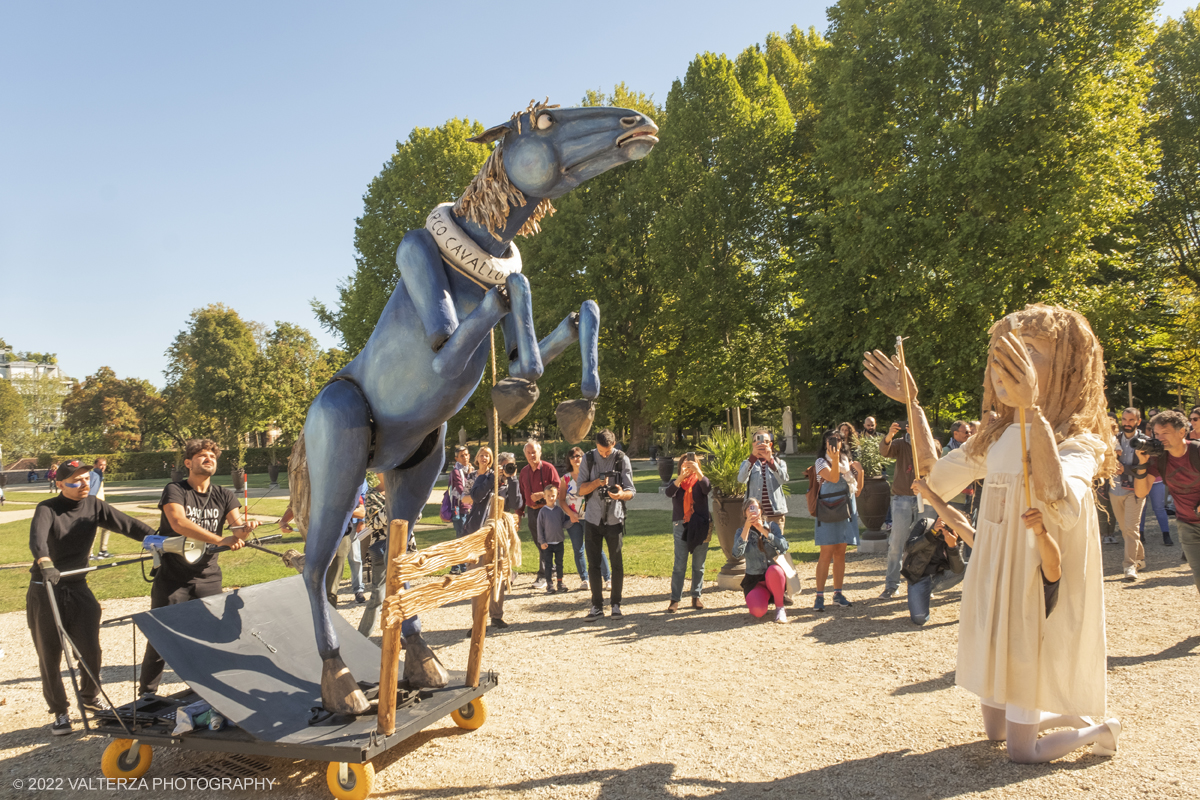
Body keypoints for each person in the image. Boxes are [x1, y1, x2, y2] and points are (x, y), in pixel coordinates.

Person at [866, 303, 1120, 763]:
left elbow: (1063, 502)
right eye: (1003, 351)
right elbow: (932, 477)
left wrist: (1032, 413)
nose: (1007, 363)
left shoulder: (1078, 441)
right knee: (993, 732)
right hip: (992, 578)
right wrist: (912, 404)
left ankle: (1100, 730)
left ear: (1067, 368)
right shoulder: (996, 436)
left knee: (1020, 751)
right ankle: (1066, 717)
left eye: (1029, 351)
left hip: (1032, 581)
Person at [27, 459, 158, 735]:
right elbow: (37, 540)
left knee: (90, 649)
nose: (83, 484)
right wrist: (45, 561)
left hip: (77, 585)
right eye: (75, 481)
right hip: (46, 586)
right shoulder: (47, 508)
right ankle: (60, 711)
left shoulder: (94, 506)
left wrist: (159, 540)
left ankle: (88, 697)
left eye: (86, 478)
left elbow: (129, 526)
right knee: (49, 653)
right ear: (60, 484)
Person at [138, 439, 258, 696]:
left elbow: (237, 532)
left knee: (213, 637)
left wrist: (245, 530)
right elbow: (179, 523)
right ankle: (147, 695)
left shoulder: (225, 494)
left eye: (212, 456)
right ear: (188, 463)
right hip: (173, 578)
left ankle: (214, 692)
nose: (209, 459)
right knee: (161, 638)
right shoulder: (175, 490)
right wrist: (220, 540)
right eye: (202, 455)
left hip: (208, 577)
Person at [1134, 410, 1200, 596]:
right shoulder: (1158, 459)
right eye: (1156, 433)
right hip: (1187, 526)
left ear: (1182, 432)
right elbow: (1140, 492)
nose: (1159, 438)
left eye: (1165, 433)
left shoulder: (1197, 451)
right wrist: (1142, 462)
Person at [578, 429, 636, 619]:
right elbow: (580, 490)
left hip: (614, 518)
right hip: (593, 518)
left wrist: (620, 495)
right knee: (593, 563)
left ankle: (616, 604)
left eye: (607, 451)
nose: (604, 455)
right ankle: (596, 605)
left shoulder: (621, 459)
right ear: (596, 445)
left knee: (616, 563)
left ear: (614, 444)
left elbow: (631, 491)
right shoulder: (588, 459)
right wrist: (598, 483)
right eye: (601, 451)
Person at [463, 448, 523, 627]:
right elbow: (476, 496)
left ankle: (496, 615)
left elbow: (516, 503)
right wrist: (493, 478)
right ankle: (477, 621)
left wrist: (511, 479)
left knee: (499, 575)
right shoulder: (485, 478)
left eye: (510, 466)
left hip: (500, 535)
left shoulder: (510, 482)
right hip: (480, 533)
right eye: (504, 466)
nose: (506, 469)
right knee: (478, 576)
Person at [879, 420, 935, 598]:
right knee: (897, 542)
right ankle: (891, 585)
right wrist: (889, 435)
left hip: (925, 497)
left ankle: (922, 584)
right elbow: (885, 451)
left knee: (925, 541)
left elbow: (936, 454)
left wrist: (921, 438)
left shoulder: (931, 443)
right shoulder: (900, 444)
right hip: (902, 497)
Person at [813, 430, 861, 611]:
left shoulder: (846, 462)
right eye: (831, 440)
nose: (835, 443)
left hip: (845, 508)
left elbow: (856, 489)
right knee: (826, 552)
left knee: (841, 552)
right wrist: (834, 459)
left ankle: (838, 593)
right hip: (827, 509)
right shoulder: (820, 462)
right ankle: (819, 595)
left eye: (838, 440)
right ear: (825, 443)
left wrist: (859, 473)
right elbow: (833, 477)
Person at [664, 452, 711, 612]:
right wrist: (680, 478)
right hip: (681, 524)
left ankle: (696, 596)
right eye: (685, 463)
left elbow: (707, 488)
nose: (688, 465)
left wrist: (698, 472)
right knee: (679, 564)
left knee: (698, 565)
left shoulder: (700, 480)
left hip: (701, 525)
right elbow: (668, 492)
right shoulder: (676, 483)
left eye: (692, 463)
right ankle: (675, 599)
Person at [560, 446, 611, 592]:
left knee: (596, 548)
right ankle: (584, 579)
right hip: (574, 519)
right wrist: (570, 514)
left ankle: (607, 578)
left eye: (579, 455)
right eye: (573, 456)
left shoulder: (589, 475)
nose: (576, 458)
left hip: (590, 517)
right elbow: (562, 500)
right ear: (569, 460)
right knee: (578, 549)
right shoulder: (565, 479)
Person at [732, 498, 789, 623]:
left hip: (773, 577)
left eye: (755, 508)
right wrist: (747, 528)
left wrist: (764, 531)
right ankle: (765, 597)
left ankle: (780, 608)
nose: (752, 512)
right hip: (755, 580)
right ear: (745, 513)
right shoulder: (741, 532)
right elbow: (736, 554)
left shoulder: (772, 526)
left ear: (761, 510)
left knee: (774, 570)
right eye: (749, 509)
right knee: (758, 612)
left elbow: (784, 547)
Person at [1111, 407, 1149, 580]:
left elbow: (1147, 468)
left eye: (1131, 420)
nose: (1127, 424)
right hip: (1114, 489)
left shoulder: (1145, 442)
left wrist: (1124, 468)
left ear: (1138, 422)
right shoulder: (1113, 439)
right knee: (1126, 530)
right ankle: (1140, 558)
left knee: (1131, 529)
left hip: (1136, 490)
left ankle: (1129, 566)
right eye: (1125, 420)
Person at [519, 440, 560, 590]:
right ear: (525, 455)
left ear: (540, 453)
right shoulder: (524, 472)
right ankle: (552, 568)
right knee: (539, 542)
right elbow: (521, 495)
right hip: (532, 511)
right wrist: (519, 513)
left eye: (534, 452)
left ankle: (544, 575)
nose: (531, 455)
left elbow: (558, 489)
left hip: (547, 510)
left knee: (544, 541)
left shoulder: (549, 468)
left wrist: (543, 495)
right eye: (528, 453)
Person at [737, 430, 789, 533]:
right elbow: (741, 479)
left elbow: (784, 480)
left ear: (770, 444)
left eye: (766, 441)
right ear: (753, 444)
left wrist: (771, 461)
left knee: (776, 546)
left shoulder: (779, 462)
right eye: (758, 441)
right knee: (755, 547)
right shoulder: (747, 463)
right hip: (754, 515)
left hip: (775, 515)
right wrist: (752, 458)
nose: (762, 444)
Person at [535, 484, 568, 593]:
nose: (551, 498)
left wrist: (572, 521)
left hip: (559, 542)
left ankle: (560, 582)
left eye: (553, 496)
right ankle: (549, 583)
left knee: (560, 563)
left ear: (557, 496)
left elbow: (563, 523)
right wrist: (542, 541)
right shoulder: (543, 512)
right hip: (547, 543)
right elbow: (539, 528)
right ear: (544, 496)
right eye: (548, 496)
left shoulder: (559, 510)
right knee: (548, 564)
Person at [448, 445, 473, 575]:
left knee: (464, 537)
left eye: (467, 455)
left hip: (469, 509)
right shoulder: (456, 472)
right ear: (456, 458)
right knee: (461, 537)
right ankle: (462, 565)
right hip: (459, 509)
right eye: (462, 456)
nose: (465, 458)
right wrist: (472, 476)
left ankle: (456, 566)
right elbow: (462, 490)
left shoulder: (470, 471)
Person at [88, 458, 111, 560]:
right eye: (100, 465)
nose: (103, 467)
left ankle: (103, 550)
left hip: (101, 505)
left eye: (104, 465)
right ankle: (89, 554)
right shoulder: (93, 475)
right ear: (95, 465)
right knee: (93, 530)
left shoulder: (100, 476)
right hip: (94, 505)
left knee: (107, 526)